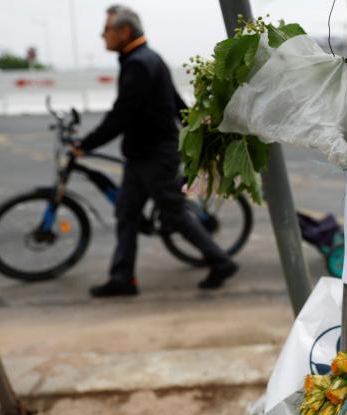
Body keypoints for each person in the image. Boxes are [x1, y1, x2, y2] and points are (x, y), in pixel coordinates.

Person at [74, 5, 237, 297]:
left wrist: (86, 144)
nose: (103, 35)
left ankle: (220, 260)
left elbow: (121, 114)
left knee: (173, 213)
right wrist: (193, 128)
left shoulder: (139, 63)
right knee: (127, 214)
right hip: (142, 156)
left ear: (124, 32)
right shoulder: (148, 58)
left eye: (107, 30)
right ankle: (123, 278)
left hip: (153, 156)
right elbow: (175, 102)